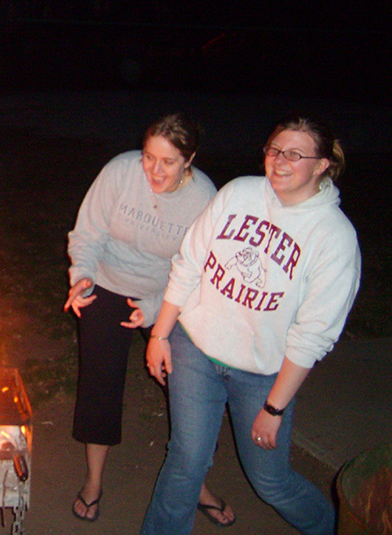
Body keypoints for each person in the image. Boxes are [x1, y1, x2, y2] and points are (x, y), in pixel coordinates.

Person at [141, 115, 361, 534]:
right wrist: (160, 333)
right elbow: (189, 264)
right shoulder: (239, 193)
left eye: (295, 155)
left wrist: (274, 408)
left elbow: (312, 335)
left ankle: (340, 528)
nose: (280, 161)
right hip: (195, 350)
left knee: (270, 481)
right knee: (186, 461)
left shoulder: (333, 237)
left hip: (261, 376)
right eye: (275, 150)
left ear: (321, 166)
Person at [64, 113, 234, 526]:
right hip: (106, 284)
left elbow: (202, 270)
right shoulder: (120, 172)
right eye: (148, 157)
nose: (154, 171)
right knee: (99, 385)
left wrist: (158, 306)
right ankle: (93, 480)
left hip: (173, 297)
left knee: (189, 389)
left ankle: (196, 483)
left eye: (168, 162)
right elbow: (87, 233)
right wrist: (82, 275)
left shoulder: (204, 199)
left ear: (189, 159)